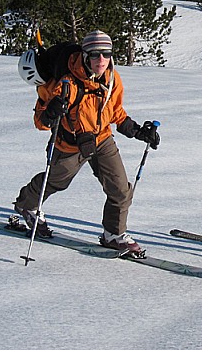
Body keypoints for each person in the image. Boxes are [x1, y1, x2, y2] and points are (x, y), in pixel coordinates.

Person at [13, 30, 160, 256]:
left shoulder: (112, 79)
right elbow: (41, 122)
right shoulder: (67, 83)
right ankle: (27, 205)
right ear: (85, 55)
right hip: (69, 144)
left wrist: (138, 131)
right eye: (95, 54)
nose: (101, 59)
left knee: (121, 189)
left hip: (101, 139)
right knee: (55, 181)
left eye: (106, 54)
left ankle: (114, 234)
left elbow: (115, 111)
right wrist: (51, 112)